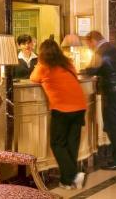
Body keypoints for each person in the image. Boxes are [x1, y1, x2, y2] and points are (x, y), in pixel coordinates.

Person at [30, 38, 88, 189]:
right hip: (79, 107)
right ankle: (67, 181)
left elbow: (33, 78)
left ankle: (74, 175)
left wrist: (39, 64)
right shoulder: (67, 63)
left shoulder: (43, 66)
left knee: (57, 143)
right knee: (71, 144)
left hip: (62, 109)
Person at [82, 30, 116, 170]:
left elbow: (92, 70)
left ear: (93, 40)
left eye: (89, 44)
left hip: (112, 93)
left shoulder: (101, 51)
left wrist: (81, 70)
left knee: (114, 127)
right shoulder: (113, 49)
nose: (89, 47)